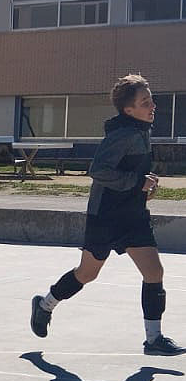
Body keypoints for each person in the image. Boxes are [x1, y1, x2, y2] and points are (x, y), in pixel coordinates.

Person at [29, 74, 184, 355]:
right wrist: (137, 183)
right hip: (106, 217)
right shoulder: (123, 134)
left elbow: (129, 172)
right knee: (87, 274)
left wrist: (146, 183)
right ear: (128, 110)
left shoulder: (140, 131)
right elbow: (99, 170)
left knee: (154, 272)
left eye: (152, 101)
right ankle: (44, 304)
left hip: (133, 215)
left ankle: (154, 340)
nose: (153, 107)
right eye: (145, 102)